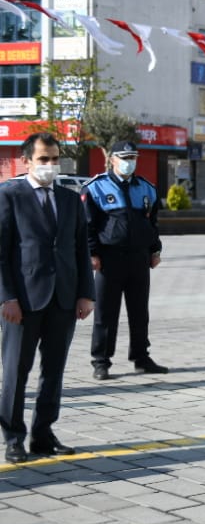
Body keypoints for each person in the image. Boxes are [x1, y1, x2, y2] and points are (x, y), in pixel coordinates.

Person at [0, 132, 94, 464]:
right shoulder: (10, 195)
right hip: (22, 302)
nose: (50, 165)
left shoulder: (70, 199)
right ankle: (13, 437)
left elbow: (80, 249)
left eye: (55, 159)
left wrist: (86, 293)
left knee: (53, 371)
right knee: (16, 371)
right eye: (43, 159)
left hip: (64, 300)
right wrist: (6, 297)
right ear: (27, 160)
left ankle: (43, 434)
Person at [83, 139, 166, 379]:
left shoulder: (147, 188)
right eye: (124, 158)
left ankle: (141, 357)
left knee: (140, 311)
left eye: (133, 158)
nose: (129, 162)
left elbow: (152, 224)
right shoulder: (96, 187)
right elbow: (88, 226)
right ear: (112, 159)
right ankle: (101, 361)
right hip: (109, 259)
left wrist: (155, 250)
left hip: (139, 258)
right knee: (106, 313)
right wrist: (93, 253)